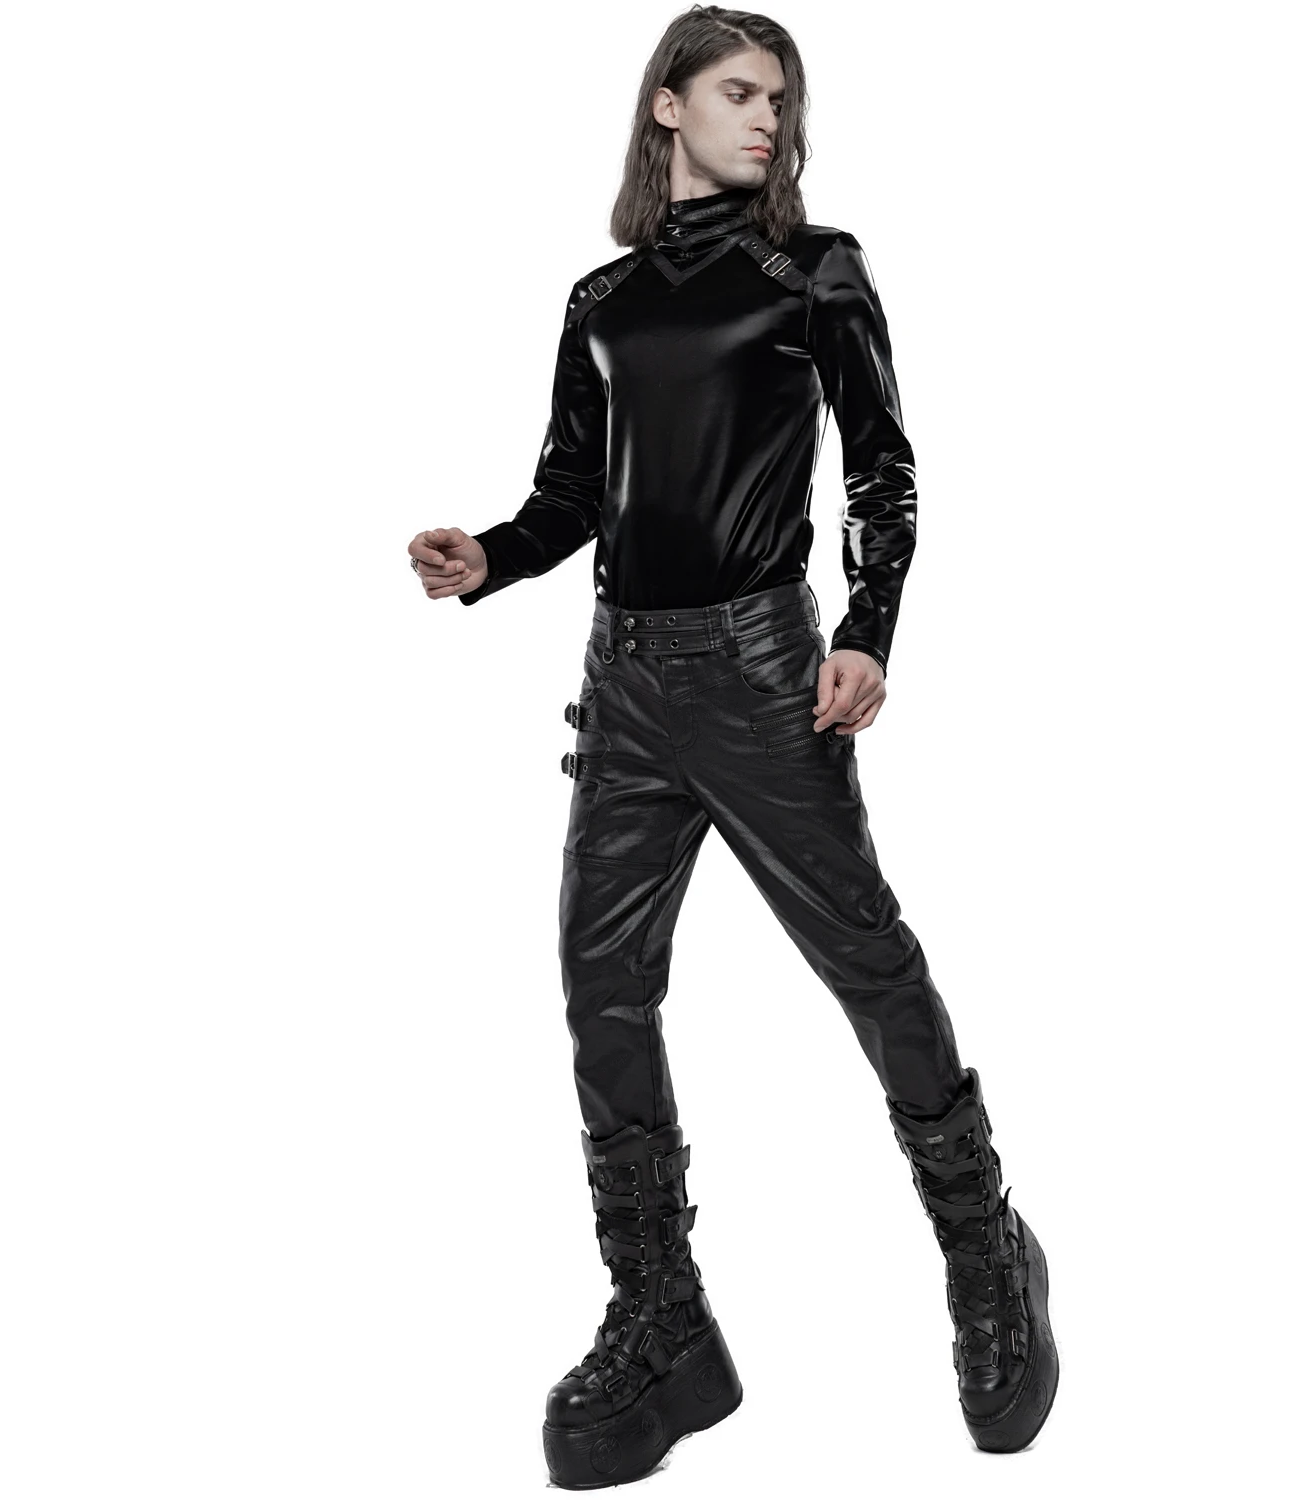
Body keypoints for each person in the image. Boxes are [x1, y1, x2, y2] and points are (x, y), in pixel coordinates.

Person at [408, 7, 1059, 1484]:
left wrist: (868, 627)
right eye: (741, 91)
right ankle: (663, 1315)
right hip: (626, 682)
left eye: (782, 99)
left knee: (865, 959)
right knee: (602, 990)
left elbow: (882, 463)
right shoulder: (601, 299)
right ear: (669, 106)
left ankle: (986, 1247)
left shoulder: (814, 269)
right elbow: (572, 493)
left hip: (767, 677)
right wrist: (491, 557)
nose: (769, 117)